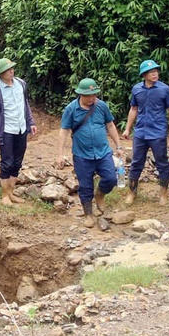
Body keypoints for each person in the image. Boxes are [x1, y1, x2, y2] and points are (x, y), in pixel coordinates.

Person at [57, 78, 123, 229]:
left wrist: (119, 146)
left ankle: (100, 194)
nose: (93, 98)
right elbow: (64, 131)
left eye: (94, 94)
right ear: (81, 94)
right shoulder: (71, 109)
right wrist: (60, 154)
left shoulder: (101, 106)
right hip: (82, 154)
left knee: (111, 178)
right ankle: (88, 214)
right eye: (89, 95)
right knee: (85, 185)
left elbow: (110, 125)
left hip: (103, 152)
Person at [121, 59, 169, 206]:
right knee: (136, 162)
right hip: (140, 132)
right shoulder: (137, 89)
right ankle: (132, 192)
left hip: (158, 132)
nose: (155, 74)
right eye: (151, 72)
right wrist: (128, 128)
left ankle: (163, 194)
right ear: (144, 75)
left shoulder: (164, 89)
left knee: (162, 163)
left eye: (156, 71)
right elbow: (133, 109)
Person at [0, 58, 37, 205]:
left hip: (21, 128)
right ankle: (4, 196)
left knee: (17, 162)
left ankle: (11, 192)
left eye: (12, 68)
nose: (11, 71)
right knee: (7, 163)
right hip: (6, 130)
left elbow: (25, 105)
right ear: (1, 74)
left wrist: (31, 122)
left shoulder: (21, 84)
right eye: (8, 70)